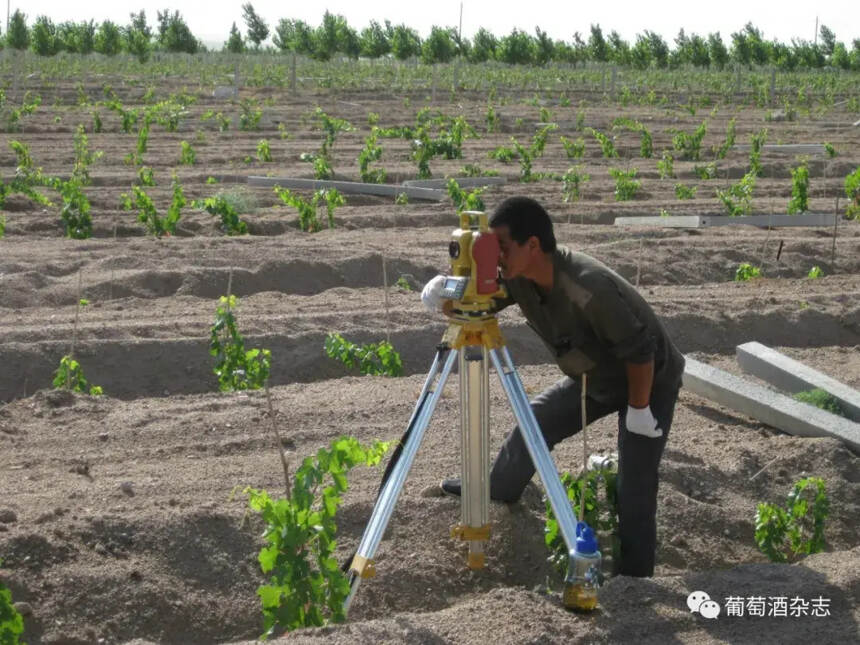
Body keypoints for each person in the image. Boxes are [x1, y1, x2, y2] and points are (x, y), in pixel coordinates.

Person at [420, 196, 685, 577]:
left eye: (502, 248)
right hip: (595, 376)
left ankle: (635, 578)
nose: (496, 258)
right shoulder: (519, 277)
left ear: (532, 245)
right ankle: (500, 486)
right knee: (536, 422)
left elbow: (641, 351)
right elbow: (479, 308)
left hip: (647, 378)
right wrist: (450, 287)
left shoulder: (587, 286)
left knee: (636, 480)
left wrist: (640, 410)